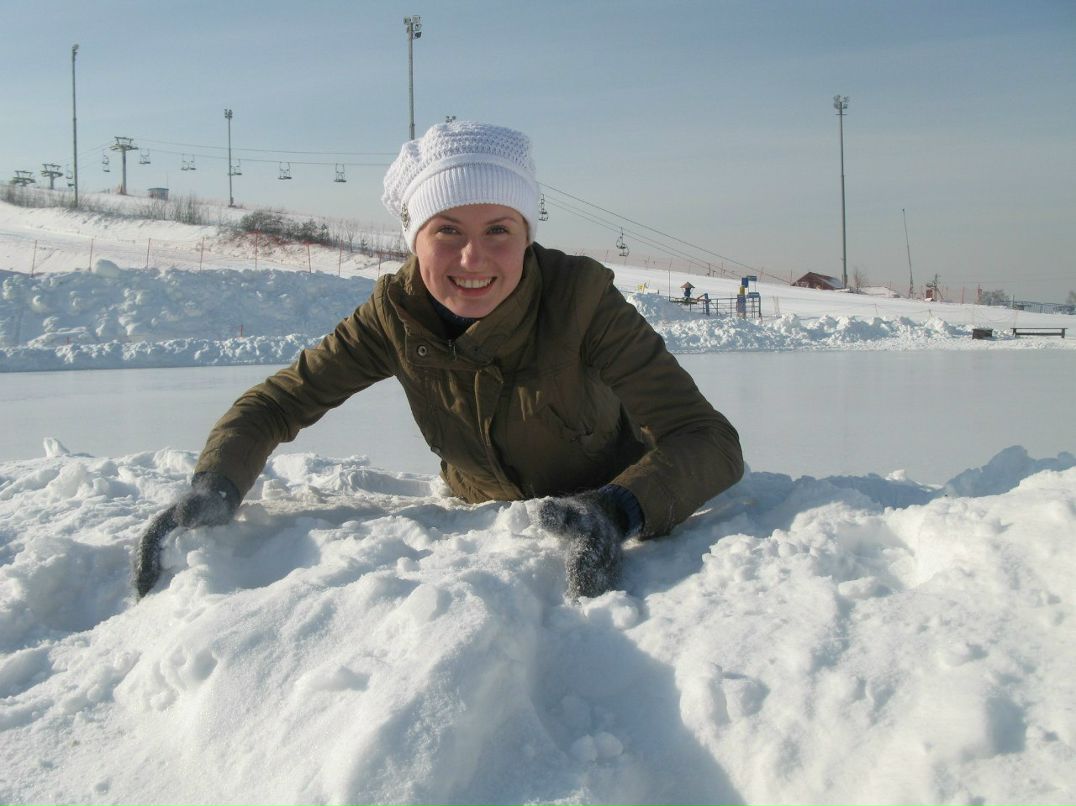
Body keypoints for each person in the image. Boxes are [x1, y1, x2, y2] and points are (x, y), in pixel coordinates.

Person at [158, 121, 744, 598]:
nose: (473, 257)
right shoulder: (394, 314)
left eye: (498, 229)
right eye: (446, 230)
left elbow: (706, 438)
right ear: (414, 240)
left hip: (607, 492)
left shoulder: (581, 300)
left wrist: (619, 508)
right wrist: (216, 483)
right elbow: (276, 402)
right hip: (479, 523)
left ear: (526, 234)